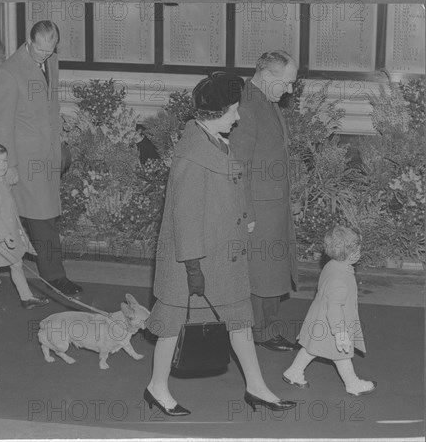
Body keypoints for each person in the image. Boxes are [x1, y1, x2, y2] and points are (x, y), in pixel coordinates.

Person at [145, 72, 296, 417]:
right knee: (171, 326)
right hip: (193, 261)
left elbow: (231, 187)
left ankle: (256, 387)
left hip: (223, 256)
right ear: (216, 112)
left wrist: (245, 215)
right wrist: (193, 267)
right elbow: (184, 217)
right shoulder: (192, 155)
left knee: (240, 321)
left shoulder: (216, 139)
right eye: (233, 111)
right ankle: (157, 387)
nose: (238, 117)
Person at [0, 20, 82, 298]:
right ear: (29, 42)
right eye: (39, 50)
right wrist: (9, 165)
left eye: (49, 50)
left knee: (35, 219)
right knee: (42, 220)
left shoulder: (51, 61)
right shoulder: (8, 72)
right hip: (25, 160)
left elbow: (49, 107)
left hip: (48, 154)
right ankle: (55, 278)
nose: (44, 55)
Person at [228, 51, 300, 352]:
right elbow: (237, 165)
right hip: (257, 208)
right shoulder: (246, 105)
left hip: (273, 205)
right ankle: (260, 332)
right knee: (258, 275)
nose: (290, 90)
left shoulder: (266, 100)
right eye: (286, 83)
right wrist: (246, 212)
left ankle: (267, 327)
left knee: (270, 272)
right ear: (267, 75)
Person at [283, 225, 376, 396]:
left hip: (319, 320)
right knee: (342, 355)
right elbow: (334, 308)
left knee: (311, 348)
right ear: (348, 253)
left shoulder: (333, 265)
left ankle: (293, 372)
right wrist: (340, 333)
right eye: (356, 248)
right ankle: (352, 384)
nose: (360, 251)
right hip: (332, 324)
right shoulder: (339, 279)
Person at [0, 142, 50, 309]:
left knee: (16, 264)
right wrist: (4, 234)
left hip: (7, 234)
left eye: (4, 161)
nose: (3, 165)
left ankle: (26, 297)